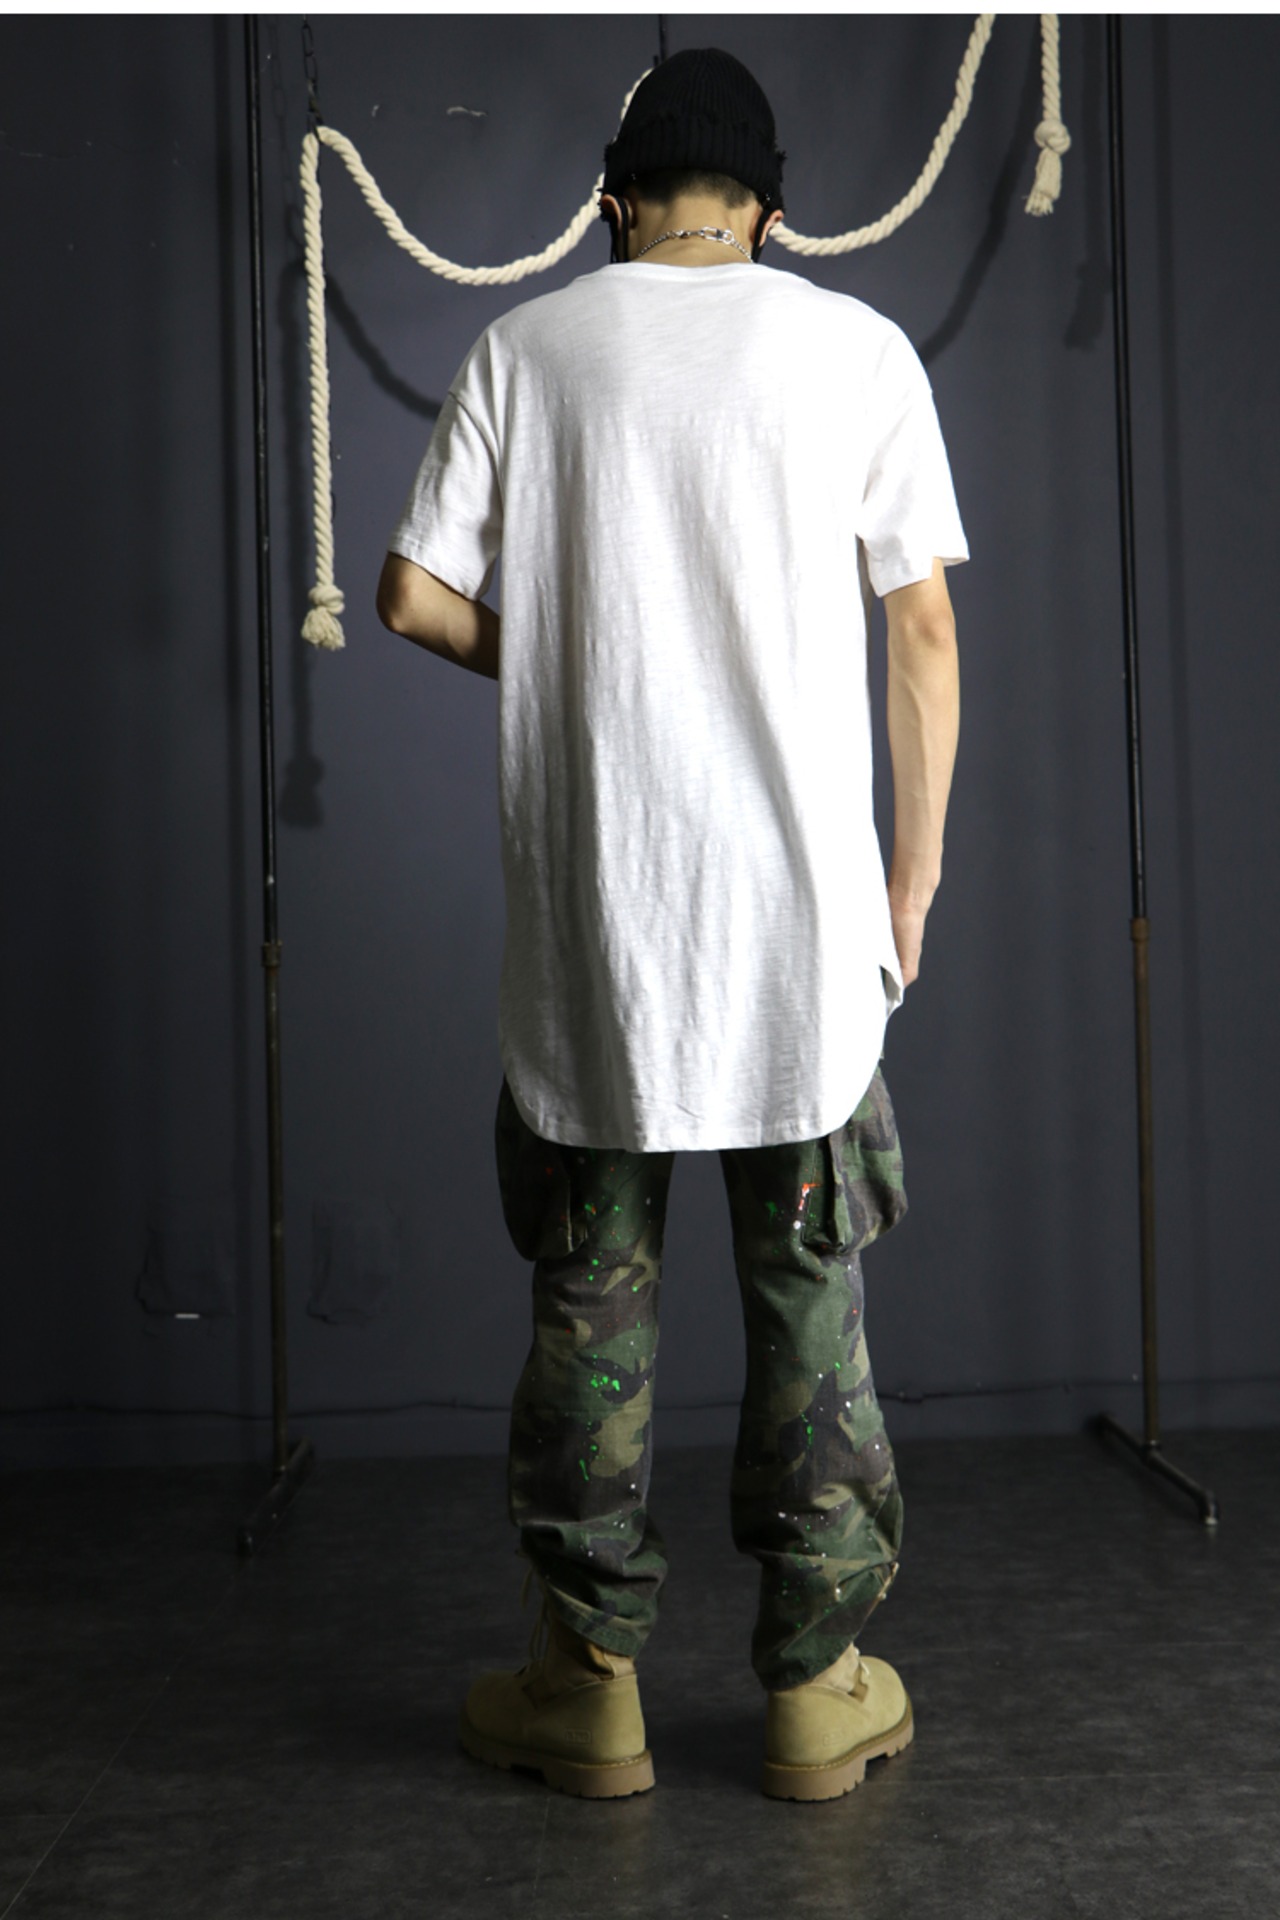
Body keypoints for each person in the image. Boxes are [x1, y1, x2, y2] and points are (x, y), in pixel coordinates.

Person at [376, 46, 966, 1802]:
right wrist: (909, 884)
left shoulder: (527, 348)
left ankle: (589, 1692)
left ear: (614, 201)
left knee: (591, 1307)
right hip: (802, 931)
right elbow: (924, 634)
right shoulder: (858, 351)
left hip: (598, 925)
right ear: (771, 211)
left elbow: (410, 595)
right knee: (808, 1301)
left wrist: (566, 655)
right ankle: (817, 1690)